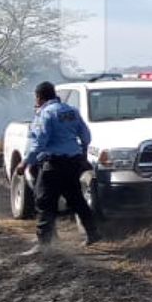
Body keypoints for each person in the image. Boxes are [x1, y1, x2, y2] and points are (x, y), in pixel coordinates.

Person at [16, 81, 99, 253]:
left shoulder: (45, 114)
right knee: (76, 199)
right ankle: (93, 233)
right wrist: (80, 152)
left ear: (39, 97)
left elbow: (39, 142)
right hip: (73, 163)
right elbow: (86, 136)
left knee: (44, 201)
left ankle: (44, 243)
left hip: (53, 164)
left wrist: (25, 162)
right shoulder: (71, 111)